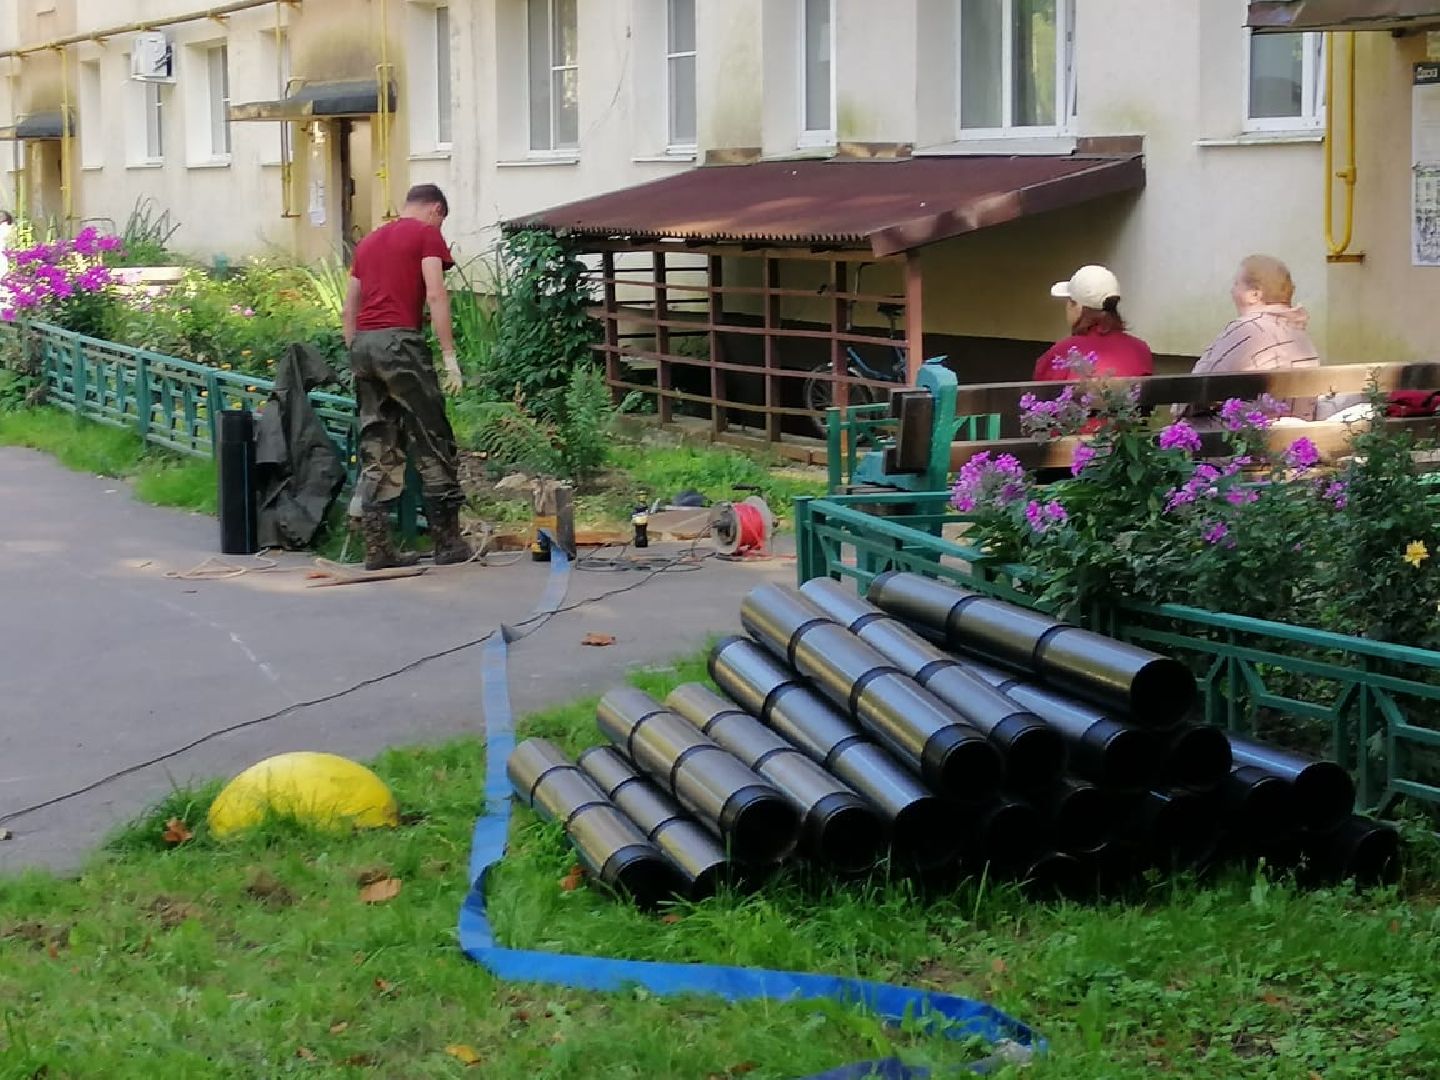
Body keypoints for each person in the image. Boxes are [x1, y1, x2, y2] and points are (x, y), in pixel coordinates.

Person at [342, 183, 472, 571]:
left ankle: (378, 549)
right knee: (432, 436)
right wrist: (449, 357)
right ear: (435, 210)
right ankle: (448, 542)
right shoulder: (426, 234)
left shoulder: (368, 243)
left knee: (378, 441)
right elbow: (435, 294)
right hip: (401, 344)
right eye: (442, 221)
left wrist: (356, 351)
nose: (440, 229)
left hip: (363, 346)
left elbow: (350, 308)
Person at [1186, 254, 1320, 419]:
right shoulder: (1300, 336)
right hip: (1301, 431)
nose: (1231, 291)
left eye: (1236, 284)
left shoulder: (1245, 330)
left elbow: (1192, 393)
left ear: (1254, 294)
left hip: (1249, 432)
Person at [1033, 265, 1154, 382]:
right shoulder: (1140, 349)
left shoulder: (1063, 352)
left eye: (1069, 302)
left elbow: (1041, 392)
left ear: (1078, 306)